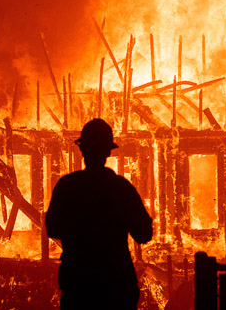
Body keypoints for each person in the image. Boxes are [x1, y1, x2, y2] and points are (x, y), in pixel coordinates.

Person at [46, 119, 153, 309]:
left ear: (82, 150)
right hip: (116, 286)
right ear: (108, 152)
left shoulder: (67, 186)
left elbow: (53, 228)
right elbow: (144, 234)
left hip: (79, 286)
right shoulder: (121, 189)